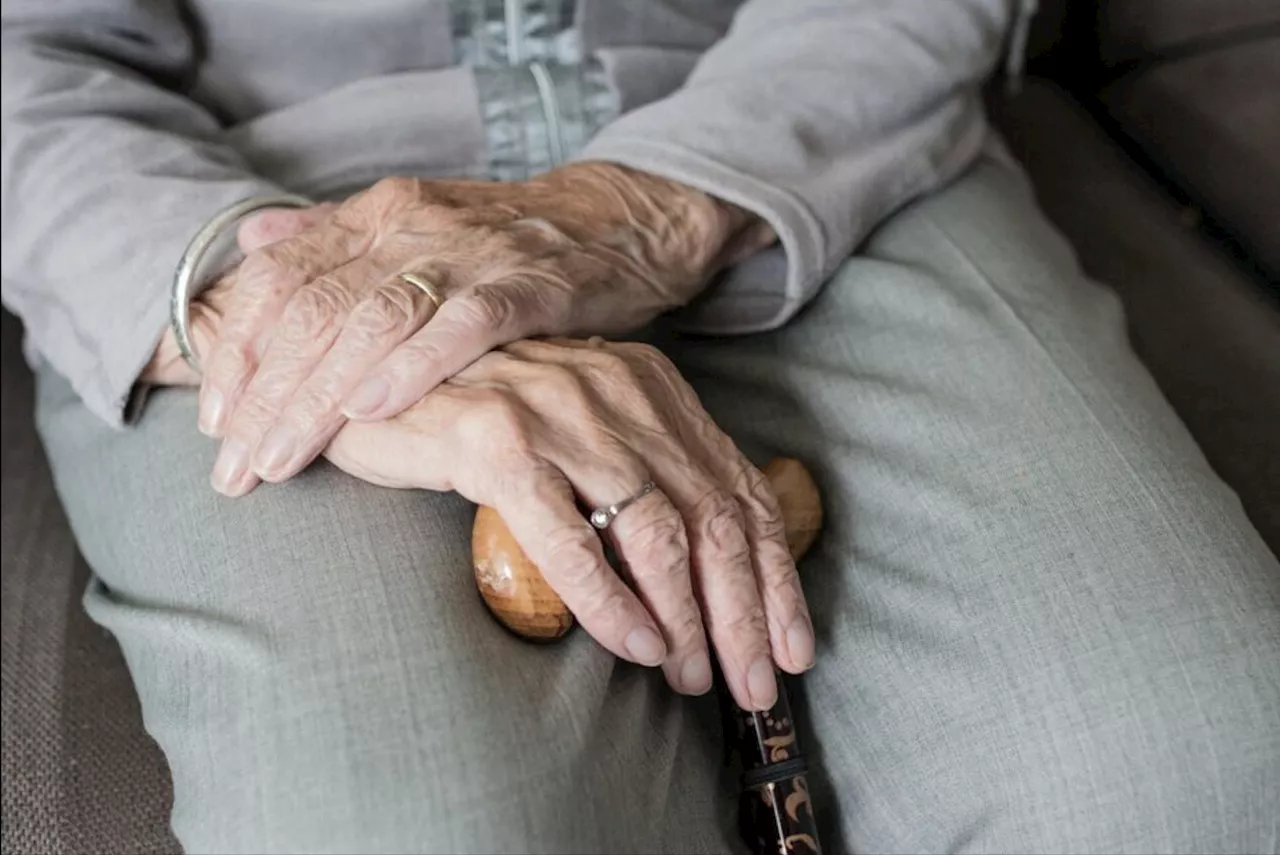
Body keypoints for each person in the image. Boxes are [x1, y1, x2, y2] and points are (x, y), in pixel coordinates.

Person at [2, 1, 1276, 852]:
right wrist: (289, 312)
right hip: (239, 208)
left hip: (811, 135)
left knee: (1192, 774)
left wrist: (639, 207)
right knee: (406, 829)